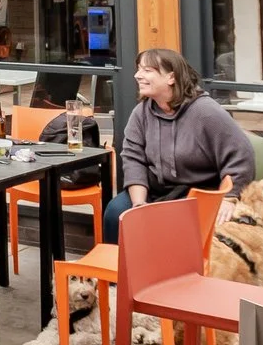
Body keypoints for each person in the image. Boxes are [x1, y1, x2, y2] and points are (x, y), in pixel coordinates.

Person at [107, 47, 254, 233]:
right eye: (138, 69)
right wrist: (138, 204)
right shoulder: (141, 113)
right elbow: (133, 158)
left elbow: (241, 155)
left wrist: (229, 197)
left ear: (171, 77)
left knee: (170, 223)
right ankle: (122, 262)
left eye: (147, 70)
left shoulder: (205, 112)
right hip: (155, 191)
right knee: (115, 213)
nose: (137, 75)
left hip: (198, 194)